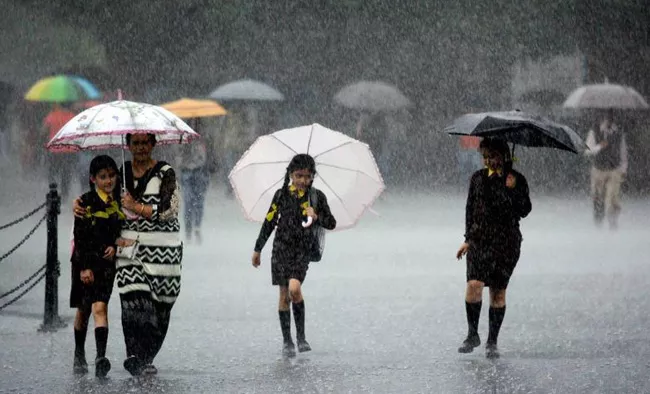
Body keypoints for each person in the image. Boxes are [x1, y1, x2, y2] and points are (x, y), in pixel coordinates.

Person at [73, 133, 183, 376]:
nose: (141, 147)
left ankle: (147, 356)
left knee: (159, 310)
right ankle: (133, 355)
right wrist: (80, 203)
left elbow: (170, 209)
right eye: (136, 143)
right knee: (133, 299)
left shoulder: (166, 172)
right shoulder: (120, 171)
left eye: (145, 143)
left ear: (153, 144)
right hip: (129, 248)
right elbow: (103, 199)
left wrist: (138, 208)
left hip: (164, 253)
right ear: (129, 145)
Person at [251, 154, 336, 357]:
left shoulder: (317, 197)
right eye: (299, 176)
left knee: (294, 289)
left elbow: (331, 222)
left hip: (302, 251)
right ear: (290, 175)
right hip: (281, 249)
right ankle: (287, 340)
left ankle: (301, 337)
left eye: (307, 177)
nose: (303, 181)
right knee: (283, 296)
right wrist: (258, 248)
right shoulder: (281, 195)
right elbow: (269, 221)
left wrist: (316, 216)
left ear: (313, 176)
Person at [455, 138, 531, 359]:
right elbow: (470, 210)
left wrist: (512, 190)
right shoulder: (477, 179)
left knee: (497, 292)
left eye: (493, 156)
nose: (489, 161)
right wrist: (467, 239)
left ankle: (492, 342)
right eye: (485, 156)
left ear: (504, 156)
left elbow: (525, 210)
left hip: (506, 242)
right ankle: (472, 334)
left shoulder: (516, 180)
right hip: (480, 240)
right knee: (473, 285)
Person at [70, 155, 124, 377]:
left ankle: (100, 357)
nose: (108, 181)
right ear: (93, 179)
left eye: (111, 176)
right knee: (84, 311)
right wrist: (84, 267)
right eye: (103, 177)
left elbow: (119, 231)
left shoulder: (119, 202)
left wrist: (114, 246)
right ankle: (79, 352)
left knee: (100, 307)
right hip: (85, 263)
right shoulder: (85, 203)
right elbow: (80, 236)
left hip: (105, 264)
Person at [584, 110, 628, 229]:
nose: (609, 119)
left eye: (611, 117)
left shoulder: (619, 133)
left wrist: (623, 169)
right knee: (597, 198)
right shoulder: (594, 131)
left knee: (612, 198)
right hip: (598, 170)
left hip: (614, 170)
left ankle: (613, 224)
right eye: (606, 117)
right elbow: (587, 151)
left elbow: (623, 152)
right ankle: (598, 224)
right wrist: (599, 146)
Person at [177, 118, 209, 243]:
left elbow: (205, 157)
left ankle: (196, 227)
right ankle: (190, 229)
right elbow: (178, 156)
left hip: (199, 172)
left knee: (198, 202)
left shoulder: (202, 138)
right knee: (189, 202)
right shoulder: (182, 138)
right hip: (187, 172)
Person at [43, 103, 76, 199]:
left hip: (54, 150)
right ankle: (65, 194)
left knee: (53, 172)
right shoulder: (72, 117)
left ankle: (53, 192)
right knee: (66, 173)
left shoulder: (52, 115)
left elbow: (44, 130)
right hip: (68, 151)